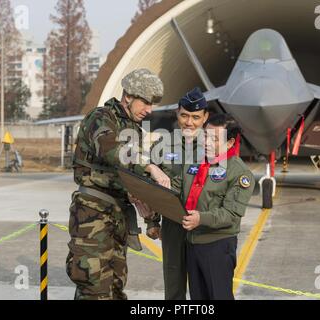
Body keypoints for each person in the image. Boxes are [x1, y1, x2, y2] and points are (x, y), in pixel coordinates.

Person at [66, 68, 171, 300]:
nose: (149, 110)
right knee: (94, 287)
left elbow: (137, 181)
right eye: (145, 102)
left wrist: (152, 220)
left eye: (152, 104)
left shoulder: (134, 129)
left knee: (114, 286)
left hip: (118, 217)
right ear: (128, 97)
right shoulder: (100, 118)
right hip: (92, 215)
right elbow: (111, 151)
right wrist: (149, 166)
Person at [182, 113, 255, 300]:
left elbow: (231, 214)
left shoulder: (239, 173)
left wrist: (201, 218)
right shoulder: (196, 161)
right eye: (205, 135)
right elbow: (177, 187)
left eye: (214, 139)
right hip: (193, 244)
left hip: (217, 247)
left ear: (230, 143)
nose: (206, 142)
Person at [148, 87, 209, 300]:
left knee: (203, 287)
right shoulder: (162, 146)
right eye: (184, 115)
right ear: (177, 113)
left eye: (195, 117)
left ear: (205, 117)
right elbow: (150, 187)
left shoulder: (214, 147)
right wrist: (152, 222)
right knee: (173, 285)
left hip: (204, 225)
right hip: (173, 225)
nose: (189, 122)